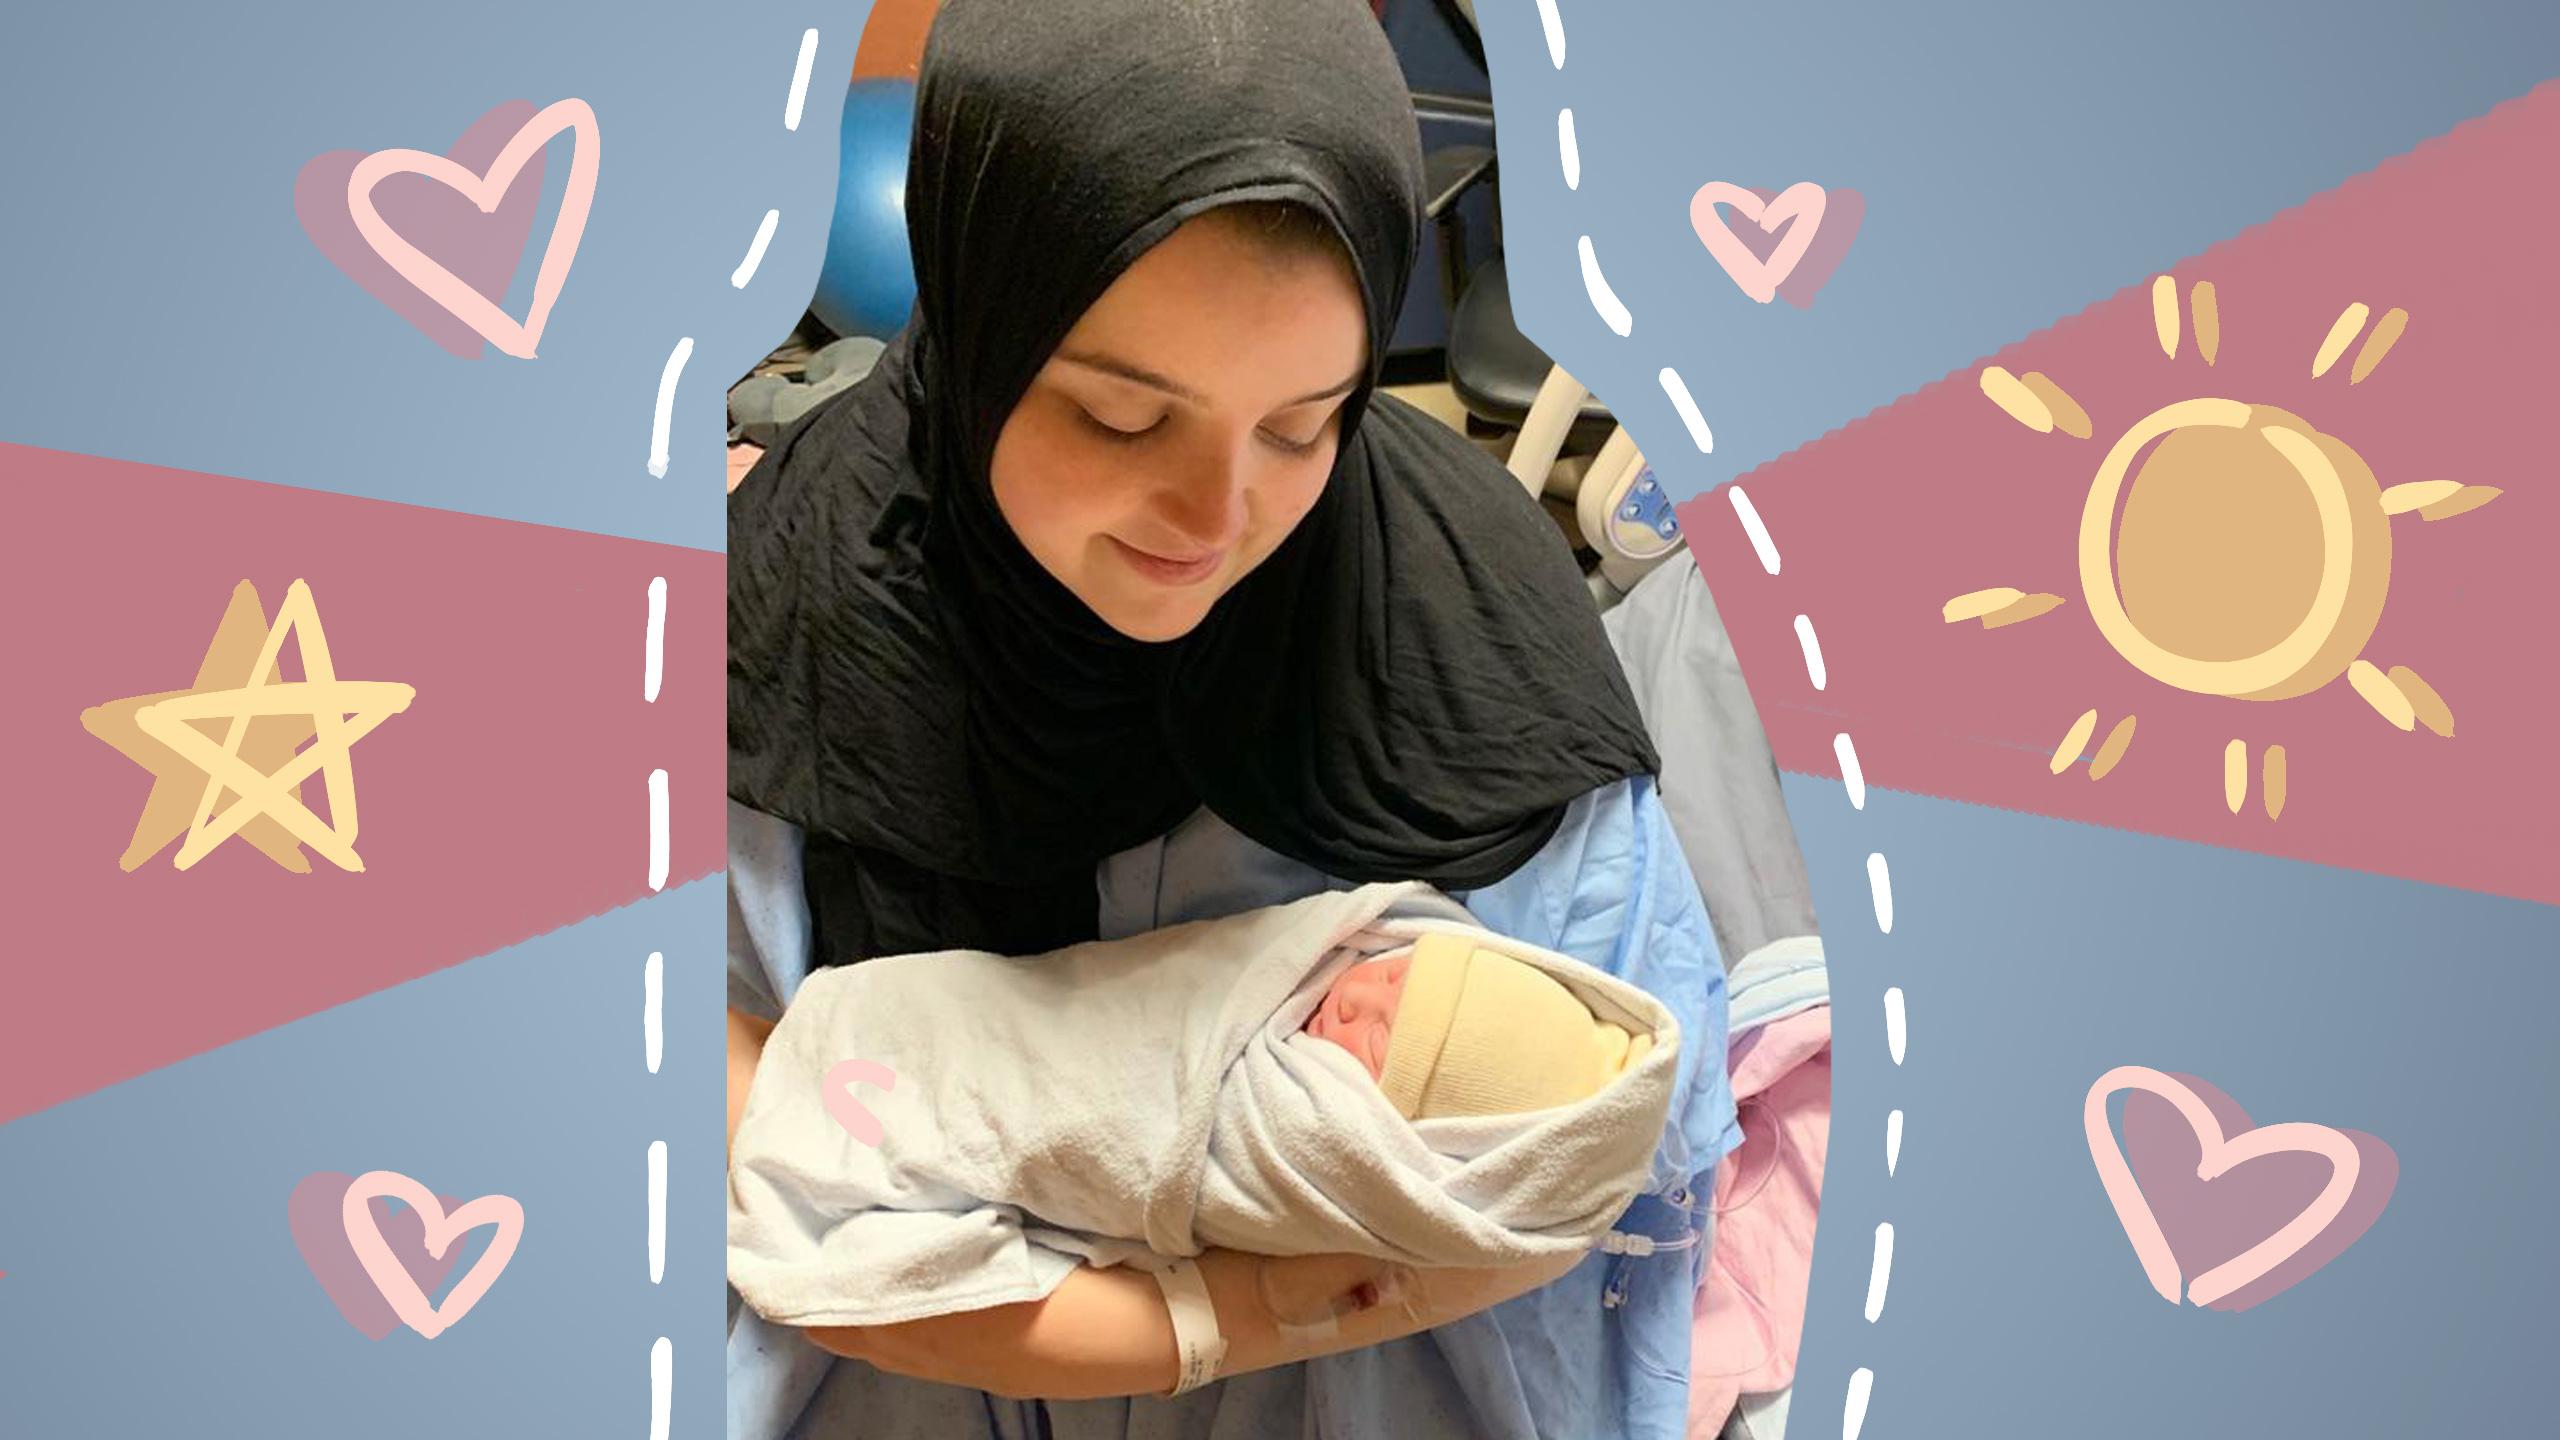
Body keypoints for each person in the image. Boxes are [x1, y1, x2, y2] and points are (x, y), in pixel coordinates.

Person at [724, 0, 1738, 1433]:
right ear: (978, 317)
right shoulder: (790, 613)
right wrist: (1188, 1322)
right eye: (1122, 421)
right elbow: (707, 1134)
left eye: (1304, 423)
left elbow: (1592, 1183)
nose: (1216, 520)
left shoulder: (1469, 649)